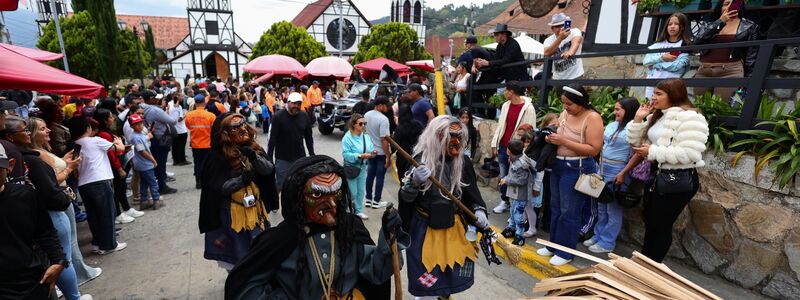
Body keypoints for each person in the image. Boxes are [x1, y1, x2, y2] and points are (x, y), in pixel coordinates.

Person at [224, 155, 406, 299]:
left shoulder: (350, 228)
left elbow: (376, 271)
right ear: (298, 198)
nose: (333, 205)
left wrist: (388, 240)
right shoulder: (279, 240)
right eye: (318, 194)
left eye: (336, 193)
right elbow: (245, 287)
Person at [400, 115, 490, 298]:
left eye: (459, 137)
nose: (456, 142)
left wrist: (479, 211)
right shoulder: (420, 160)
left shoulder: (462, 163)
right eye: (450, 137)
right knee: (426, 274)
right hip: (424, 230)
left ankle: (444, 295)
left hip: (453, 228)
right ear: (437, 136)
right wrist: (413, 183)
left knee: (451, 271)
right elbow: (406, 199)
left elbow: (471, 194)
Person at [627, 79, 709, 262]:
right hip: (656, 176)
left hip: (676, 179)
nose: (653, 97)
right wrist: (639, 118)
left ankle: (651, 266)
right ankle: (643, 262)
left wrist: (653, 151)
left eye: (659, 94)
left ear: (673, 95)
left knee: (661, 225)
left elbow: (690, 153)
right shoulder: (659, 115)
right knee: (651, 222)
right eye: (653, 93)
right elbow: (635, 142)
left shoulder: (691, 117)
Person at [199, 113, 278, 272]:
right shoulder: (216, 157)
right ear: (225, 133)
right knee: (238, 254)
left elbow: (268, 171)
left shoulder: (254, 148)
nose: (243, 129)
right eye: (235, 127)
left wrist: (254, 157)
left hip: (256, 210)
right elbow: (217, 188)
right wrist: (241, 181)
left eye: (243, 124)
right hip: (232, 214)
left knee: (261, 248)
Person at [536, 84, 603, 266]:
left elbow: (594, 149)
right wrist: (552, 137)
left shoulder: (593, 118)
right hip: (558, 164)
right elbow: (560, 132)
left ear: (581, 102)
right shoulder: (566, 113)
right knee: (555, 207)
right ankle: (553, 245)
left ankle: (565, 252)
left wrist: (563, 140)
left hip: (577, 168)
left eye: (569, 104)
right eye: (564, 103)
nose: (565, 107)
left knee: (570, 211)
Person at [0, 142, 70, 299]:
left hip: (32, 282)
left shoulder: (26, 195)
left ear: (9, 166)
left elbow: (45, 231)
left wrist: (58, 261)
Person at [583, 97, 640, 254]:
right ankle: (598, 235)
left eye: (618, 109)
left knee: (613, 209)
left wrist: (623, 173)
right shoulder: (612, 125)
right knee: (601, 205)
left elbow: (637, 155)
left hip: (618, 170)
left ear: (628, 111)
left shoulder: (634, 128)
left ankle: (607, 242)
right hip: (602, 168)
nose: (614, 112)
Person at [67, 115, 128, 255]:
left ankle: (97, 243)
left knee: (93, 215)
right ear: (87, 128)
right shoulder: (95, 141)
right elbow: (119, 149)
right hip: (99, 181)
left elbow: (75, 171)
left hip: (83, 183)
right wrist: (119, 141)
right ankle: (109, 245)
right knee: (107, 213)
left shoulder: (74, 144)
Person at [693, 0, 759, 102]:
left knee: (721, 108)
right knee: (699, 108)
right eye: (726, 4)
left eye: (732, 4)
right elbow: (697, 42)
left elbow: (751, 55)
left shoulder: (749, 26)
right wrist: (720, 21)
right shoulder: (709, 24)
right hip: (704, 71)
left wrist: (748, 80)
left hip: (731, 71)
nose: (728, 7)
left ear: (739, 7)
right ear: (720, 7)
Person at [491, 81, 537, 214]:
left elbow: (530, 131)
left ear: (511, 92)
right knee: (504, 175)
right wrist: (494, 143)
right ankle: (504, 201)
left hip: (517, 150)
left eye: (506, 90)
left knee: (514, 176)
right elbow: (500, 125)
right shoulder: (506, 105)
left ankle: (513, 204)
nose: (504, 93)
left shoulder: (528, 108)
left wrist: (524, 150)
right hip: (503, 146)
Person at [92, 109, 141, 224]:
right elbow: (111, 153)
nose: (113, 119)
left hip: (118, 163)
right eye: (110, 117)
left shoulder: (107, 132)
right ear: (104, 120)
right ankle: (118, 214)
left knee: (122, 188)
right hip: (114, 166)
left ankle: (126, 209)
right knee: (117, 190)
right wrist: (119, 168)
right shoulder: (104, 134)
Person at [267, 92, 315, 190]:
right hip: (282, 159)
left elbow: (309, 137)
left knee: (300, 184)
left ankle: (295, 205)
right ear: (288, 102)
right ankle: (278, 204)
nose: (296, 106)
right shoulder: (278, 117)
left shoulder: (304, 116)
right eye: (294, 103)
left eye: (299, 104)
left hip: (300, 157)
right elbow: (272, 139)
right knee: (282, 185)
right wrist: (269, 157)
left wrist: (312, 154)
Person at [643, 13, 692, 99]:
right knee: (650, 109)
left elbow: (677, 66)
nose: (672, 26)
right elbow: (646, 61)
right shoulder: (657, 44)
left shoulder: (683, 45)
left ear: (683, 27)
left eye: (676, 24)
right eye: (670, 24)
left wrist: (655, 64)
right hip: (651, 85)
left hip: (670, 86)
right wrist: (662, 58)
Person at [498, 139, 537, 246]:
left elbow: (521, 180)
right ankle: (511, 228)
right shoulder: (514, 159)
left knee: (518, 214)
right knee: (512, 211)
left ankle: (519, 235)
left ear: (509, 151)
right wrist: (506, 178)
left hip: (520, 194)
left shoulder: (521, 163)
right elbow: (512, 174)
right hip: (513, 192)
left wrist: (507, 180)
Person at [141, 93, 178, 195]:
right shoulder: (155, 110)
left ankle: (158, 184)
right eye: (159, 99)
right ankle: (162, 186)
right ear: (151, 99)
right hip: (160, 138)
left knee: (157, 163)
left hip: (151, 137)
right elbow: (173, 121)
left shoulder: (142, 109)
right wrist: (175, 109)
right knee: (161, 163)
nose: (162, 101)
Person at [341, 114, 375, 220]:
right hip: (351, 168)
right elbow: (346, 155)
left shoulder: (366, 136)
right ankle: (348, 212)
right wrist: (359, 156)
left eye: (365, 123)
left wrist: (372, 152)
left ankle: (358, 211)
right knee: (353, 193)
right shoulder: (347, 137)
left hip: (362, 168)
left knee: (360, 191)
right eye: (361, 123)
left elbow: (370, 148)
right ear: (354, 124)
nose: (363, 125)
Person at [129, 114, 162, 210]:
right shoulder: (135, 137)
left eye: (140, 123)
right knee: (153, 182)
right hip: (145, 164)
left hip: (141, 164)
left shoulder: (139, 135)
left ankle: (144, 201)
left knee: (144, 183)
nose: (140, 126)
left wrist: (148, 136)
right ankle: (156, 200)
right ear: (132, 126)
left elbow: (143, 139)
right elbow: (142, 151)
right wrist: (153, 160)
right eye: (136, 124)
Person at [364, 97, 392, 209]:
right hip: (381, 152)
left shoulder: (366, 115)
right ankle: (376, 201)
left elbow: (364, 131)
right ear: (380, 105)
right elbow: (384, 139)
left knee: (370, 175)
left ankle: (368, 199)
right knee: (380, 176)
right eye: (386, 105)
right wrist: (388, 156)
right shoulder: (383, 119)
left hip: (371, 151)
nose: (387, 108)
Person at [185, 94, 217, 189]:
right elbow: (215, 129)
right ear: (204, 102)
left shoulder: (189, 115)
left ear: (195, 103)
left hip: (195, 144)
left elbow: (188, 126)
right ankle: (208, 182)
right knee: (208, 164)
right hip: (208, 144)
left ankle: (198, 182)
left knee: (197, 164)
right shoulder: (211, 116)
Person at [543, 13, 585, 80]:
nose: (561, 28)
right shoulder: (548, 40)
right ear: (552, 29)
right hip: (558, 78)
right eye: (557, 26)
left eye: (563, 25)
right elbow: (547, 53)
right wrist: (560, 38)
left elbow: (576, 42)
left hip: (576, 76)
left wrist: (570, 52)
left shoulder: (575, 31)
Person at [169, 93, 191, 166]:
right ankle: (180, 160)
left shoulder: (170, 104)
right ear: (176, 97)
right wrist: (186, 115)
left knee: (175, 146)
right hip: (180, 129)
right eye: (181, 96)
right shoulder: (176, 107)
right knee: (180, 146)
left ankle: (177, 160)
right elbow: (178, 119)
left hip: (174, 129)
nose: (182, 97)